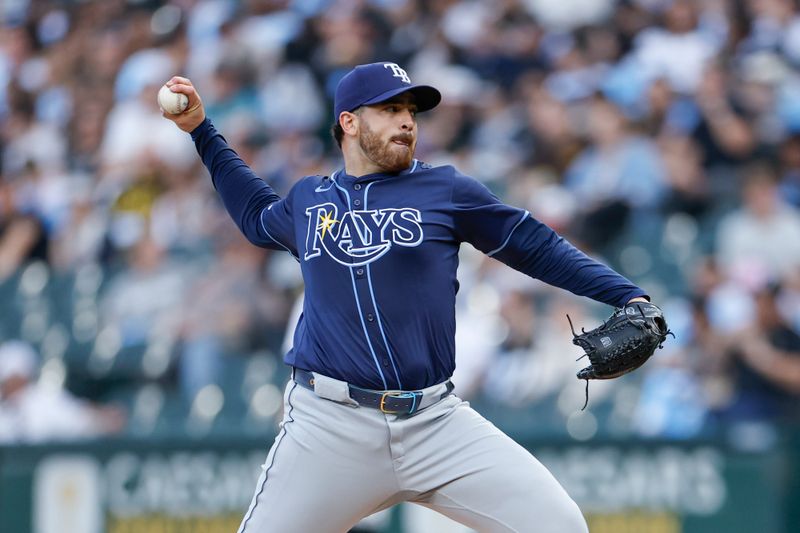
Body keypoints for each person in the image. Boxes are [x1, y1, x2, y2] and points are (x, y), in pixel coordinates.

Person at [161, 62, 655, 533]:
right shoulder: (310, 200)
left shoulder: (444, 189)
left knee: (560, 525)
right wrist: (202, 131)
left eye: (411, 112)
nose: (405, 122)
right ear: (349, 123)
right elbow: (255, 215)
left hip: (434, 421)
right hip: (329, 427)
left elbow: (535, 245)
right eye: (390, 110)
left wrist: (627, 295)